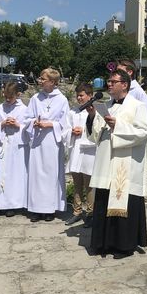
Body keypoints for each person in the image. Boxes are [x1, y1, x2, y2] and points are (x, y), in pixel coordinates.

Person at [85, 69, 147, 259]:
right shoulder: (106, 105)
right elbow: (95, 134)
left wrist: (118, 126)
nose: (109, 84)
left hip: (126, 164)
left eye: (113, 81)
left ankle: (123, 245)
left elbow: (143, 131)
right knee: (104, 200)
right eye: (109, 81)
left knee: (123, 199)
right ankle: (103, 243)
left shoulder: (137, 106)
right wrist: (91, 116)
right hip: (106, 161)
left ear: (125, 84)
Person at [24, 68, 69, 222]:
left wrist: (49, 124)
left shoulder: (62, 100)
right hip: (37, 141)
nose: (40, 80)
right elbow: (27, 118)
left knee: (51, 174)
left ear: (52, 81)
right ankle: (36, 209)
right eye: (40, 78)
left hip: (52, 142)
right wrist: (33, 122)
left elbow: (65, 123)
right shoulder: (36, 98)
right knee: (36, 174)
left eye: (43, 78)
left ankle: (49, 209)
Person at [0, 81, 29, 218]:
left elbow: (30, 129)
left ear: (18, 94)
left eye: (11, 97)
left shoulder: (24, 109)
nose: (8, 100)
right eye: (6, 97)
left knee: (14, 176)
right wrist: (2, 124)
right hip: (3, 145)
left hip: (17, 148)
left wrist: (18, 125)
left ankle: (11, 205)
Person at [64, 82, 97, 227]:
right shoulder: (73, 112)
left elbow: (97, 130)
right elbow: (64, 129)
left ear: (89, 96)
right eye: (77, 95)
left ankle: (90, 213)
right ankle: (77, 211)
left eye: (82, 95)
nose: (79, 98)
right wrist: (71, 132)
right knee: (77, 183)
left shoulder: (94, 112)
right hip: (76, 150)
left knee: (89, 184)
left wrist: (83, 131)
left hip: (89, 152)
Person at [116, 59, 147, 124]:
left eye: (120, 72)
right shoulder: (117, 89)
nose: (117, 74)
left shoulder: (138, 92)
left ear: (130, 72)